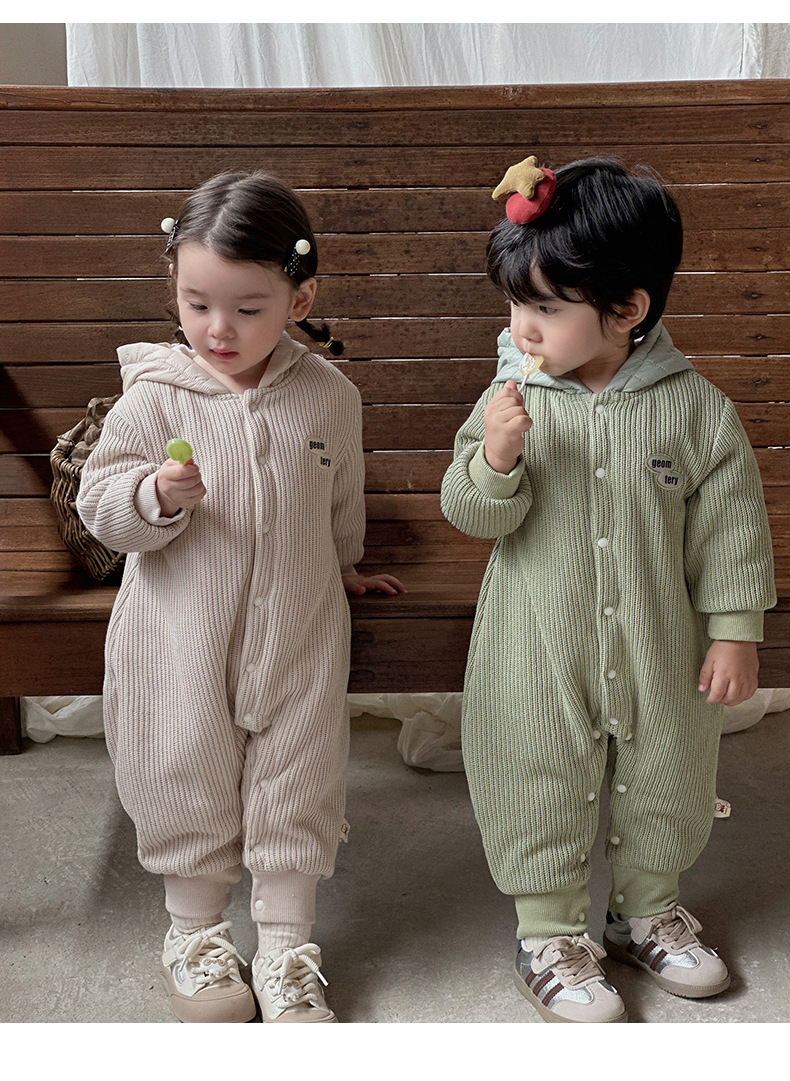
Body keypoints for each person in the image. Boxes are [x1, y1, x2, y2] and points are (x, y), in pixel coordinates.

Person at [440, 156, 776, 1023]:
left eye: (547, 308)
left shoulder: (695, 410)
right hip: (535, 644)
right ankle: (548, 931)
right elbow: (470, 511)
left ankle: (647, 910)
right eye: (515, 304)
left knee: (667, 770)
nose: (524, 327)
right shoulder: (509, 397)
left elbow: (731, 528)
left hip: (661, 642)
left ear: (627, 309)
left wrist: (734, 630)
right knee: (536, 773)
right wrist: (497, 457)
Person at [77, 170, 405, 1024]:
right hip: (180, 635)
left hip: (299, 628)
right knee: (183, 771)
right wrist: (152, 494)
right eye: (197, 305)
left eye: (248, 308)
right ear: (175, 290)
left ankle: (288, 949)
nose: (218, 329)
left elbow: (339, 497)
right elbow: (100, 506)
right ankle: (195, 936)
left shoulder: (328, 396)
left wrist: (343, 563)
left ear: (301, 298)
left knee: (299, 778)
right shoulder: (153, 398)